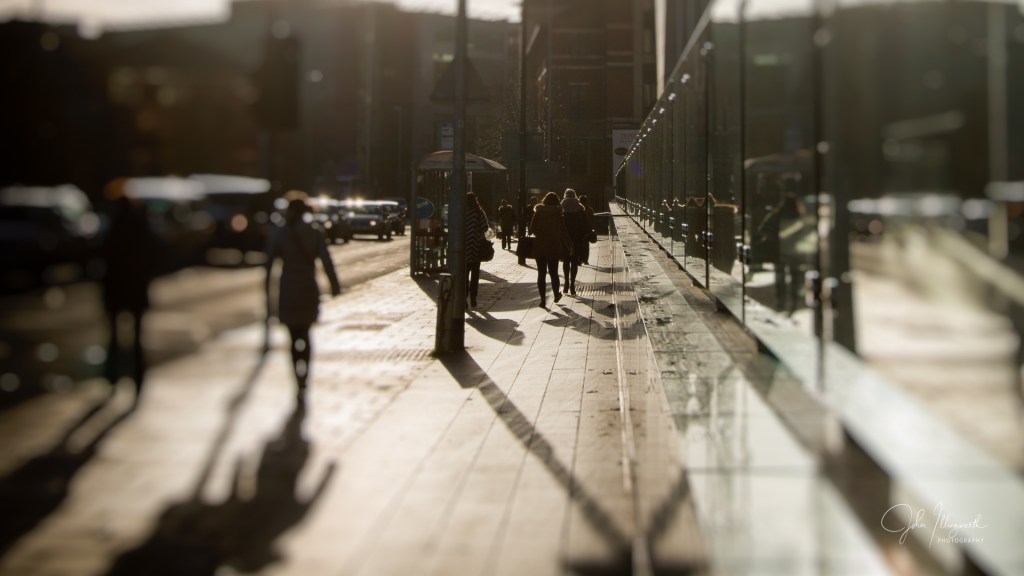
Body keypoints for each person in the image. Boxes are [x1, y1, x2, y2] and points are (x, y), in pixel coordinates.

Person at [265, 192, 341, 401]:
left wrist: (266, 293)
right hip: (308, 286)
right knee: (305, 333)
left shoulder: (280, 233)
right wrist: (334, 285)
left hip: (288, 287)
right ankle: (305, 374)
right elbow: (327, 261)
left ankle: (297, 377)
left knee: (292, 335)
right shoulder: (314, 233)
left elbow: (269, 263)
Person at [100, 178, 158, 402]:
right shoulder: (139, 225)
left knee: (115, 336)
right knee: (135, 338)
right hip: (134, 289)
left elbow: (104, 255)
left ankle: (114, 377)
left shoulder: (114, 226)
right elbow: (153, 255)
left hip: (118, 289)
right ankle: (137, 377)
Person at [530, 191, 572, 307]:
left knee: (541, 273)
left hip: (540, 246)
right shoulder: (558, 214)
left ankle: (543, 299)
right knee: (554, 273)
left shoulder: (538, 212)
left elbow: (532, 229)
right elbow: (563, 231)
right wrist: (570, 245)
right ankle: (556, 294)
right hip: (554, 246)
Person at [560, 189, 589, 296]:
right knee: (574, 261)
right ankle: (572, 284)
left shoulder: (561, 206)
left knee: (566, 261)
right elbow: (585, 224)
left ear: (565, 195)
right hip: (577, 238)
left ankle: (566, 282)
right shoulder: (580, 207)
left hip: (565, 238)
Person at [465, 191, 489, 309]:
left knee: (464, 274)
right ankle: (473, 297)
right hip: (476, 247)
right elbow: (485, 228)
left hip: (463, 249)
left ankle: (463, 297)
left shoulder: (461, 213)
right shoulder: (479, 212)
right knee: (475, 274)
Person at [578, 194, 596, 265]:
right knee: (586, 245)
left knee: (579, 244)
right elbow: (592, 220)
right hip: (587, 229)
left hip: (580, 229)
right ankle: (585, 259)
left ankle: (579, 259)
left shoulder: (578, 209)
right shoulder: (590, 209)